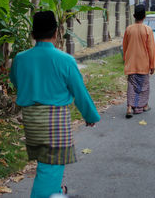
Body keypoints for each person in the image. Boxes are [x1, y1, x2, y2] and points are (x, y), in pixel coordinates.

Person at [9, 11, 100, 198]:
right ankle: (52, 193)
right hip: (55, 122)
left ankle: (58, 191)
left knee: (47, 166)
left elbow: (17, 82)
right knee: (50, 168)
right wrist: (90, 116)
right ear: (56, 32)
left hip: (31, 121)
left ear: (33, 34)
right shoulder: (65, 60)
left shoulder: (20, 58)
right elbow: (79, 92)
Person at [122, 4, 155, 118]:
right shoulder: (147, 30)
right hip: (143, 63)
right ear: (144, 16)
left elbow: (125, 47)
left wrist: (126, 61)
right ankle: (143, 106)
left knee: (131, 85)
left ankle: (129, 107)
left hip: (131, 63)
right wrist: (152, 65)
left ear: (134, 15)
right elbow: (151, 49)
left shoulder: (129, 29)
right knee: (144, 86)